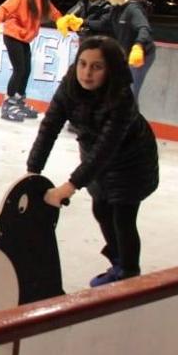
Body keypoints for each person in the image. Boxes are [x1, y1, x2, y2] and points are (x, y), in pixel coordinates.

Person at [28, 36, 159, 287]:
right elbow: (49, 126)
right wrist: (32, 171)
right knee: (101, 209)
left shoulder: (121, 98)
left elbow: (105, 150)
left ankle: (130, 274)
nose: (87, 73)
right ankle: (119, 263)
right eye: (83, 64)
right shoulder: (69, 87)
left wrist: (68, 187)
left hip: (133, 161)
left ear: (110, 70)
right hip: (95, 157)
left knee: (122, 214)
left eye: (96, 67)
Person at [0, 0, 61, 122]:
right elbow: (4, 8)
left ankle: (19, 100)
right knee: (19, 70)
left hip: (24, 38)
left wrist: (63, 21)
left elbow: (52, 11)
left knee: (27, 70)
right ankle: (8, 104)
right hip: (13, 34)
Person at [92, 0, 156, 99]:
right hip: (125, 52)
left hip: (141, 55)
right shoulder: (116, 8)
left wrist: (138, 46)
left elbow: (144, 28)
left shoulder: (133, 9)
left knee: (130, 92)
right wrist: (81, 22)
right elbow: (103, 23)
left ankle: (130, 117)